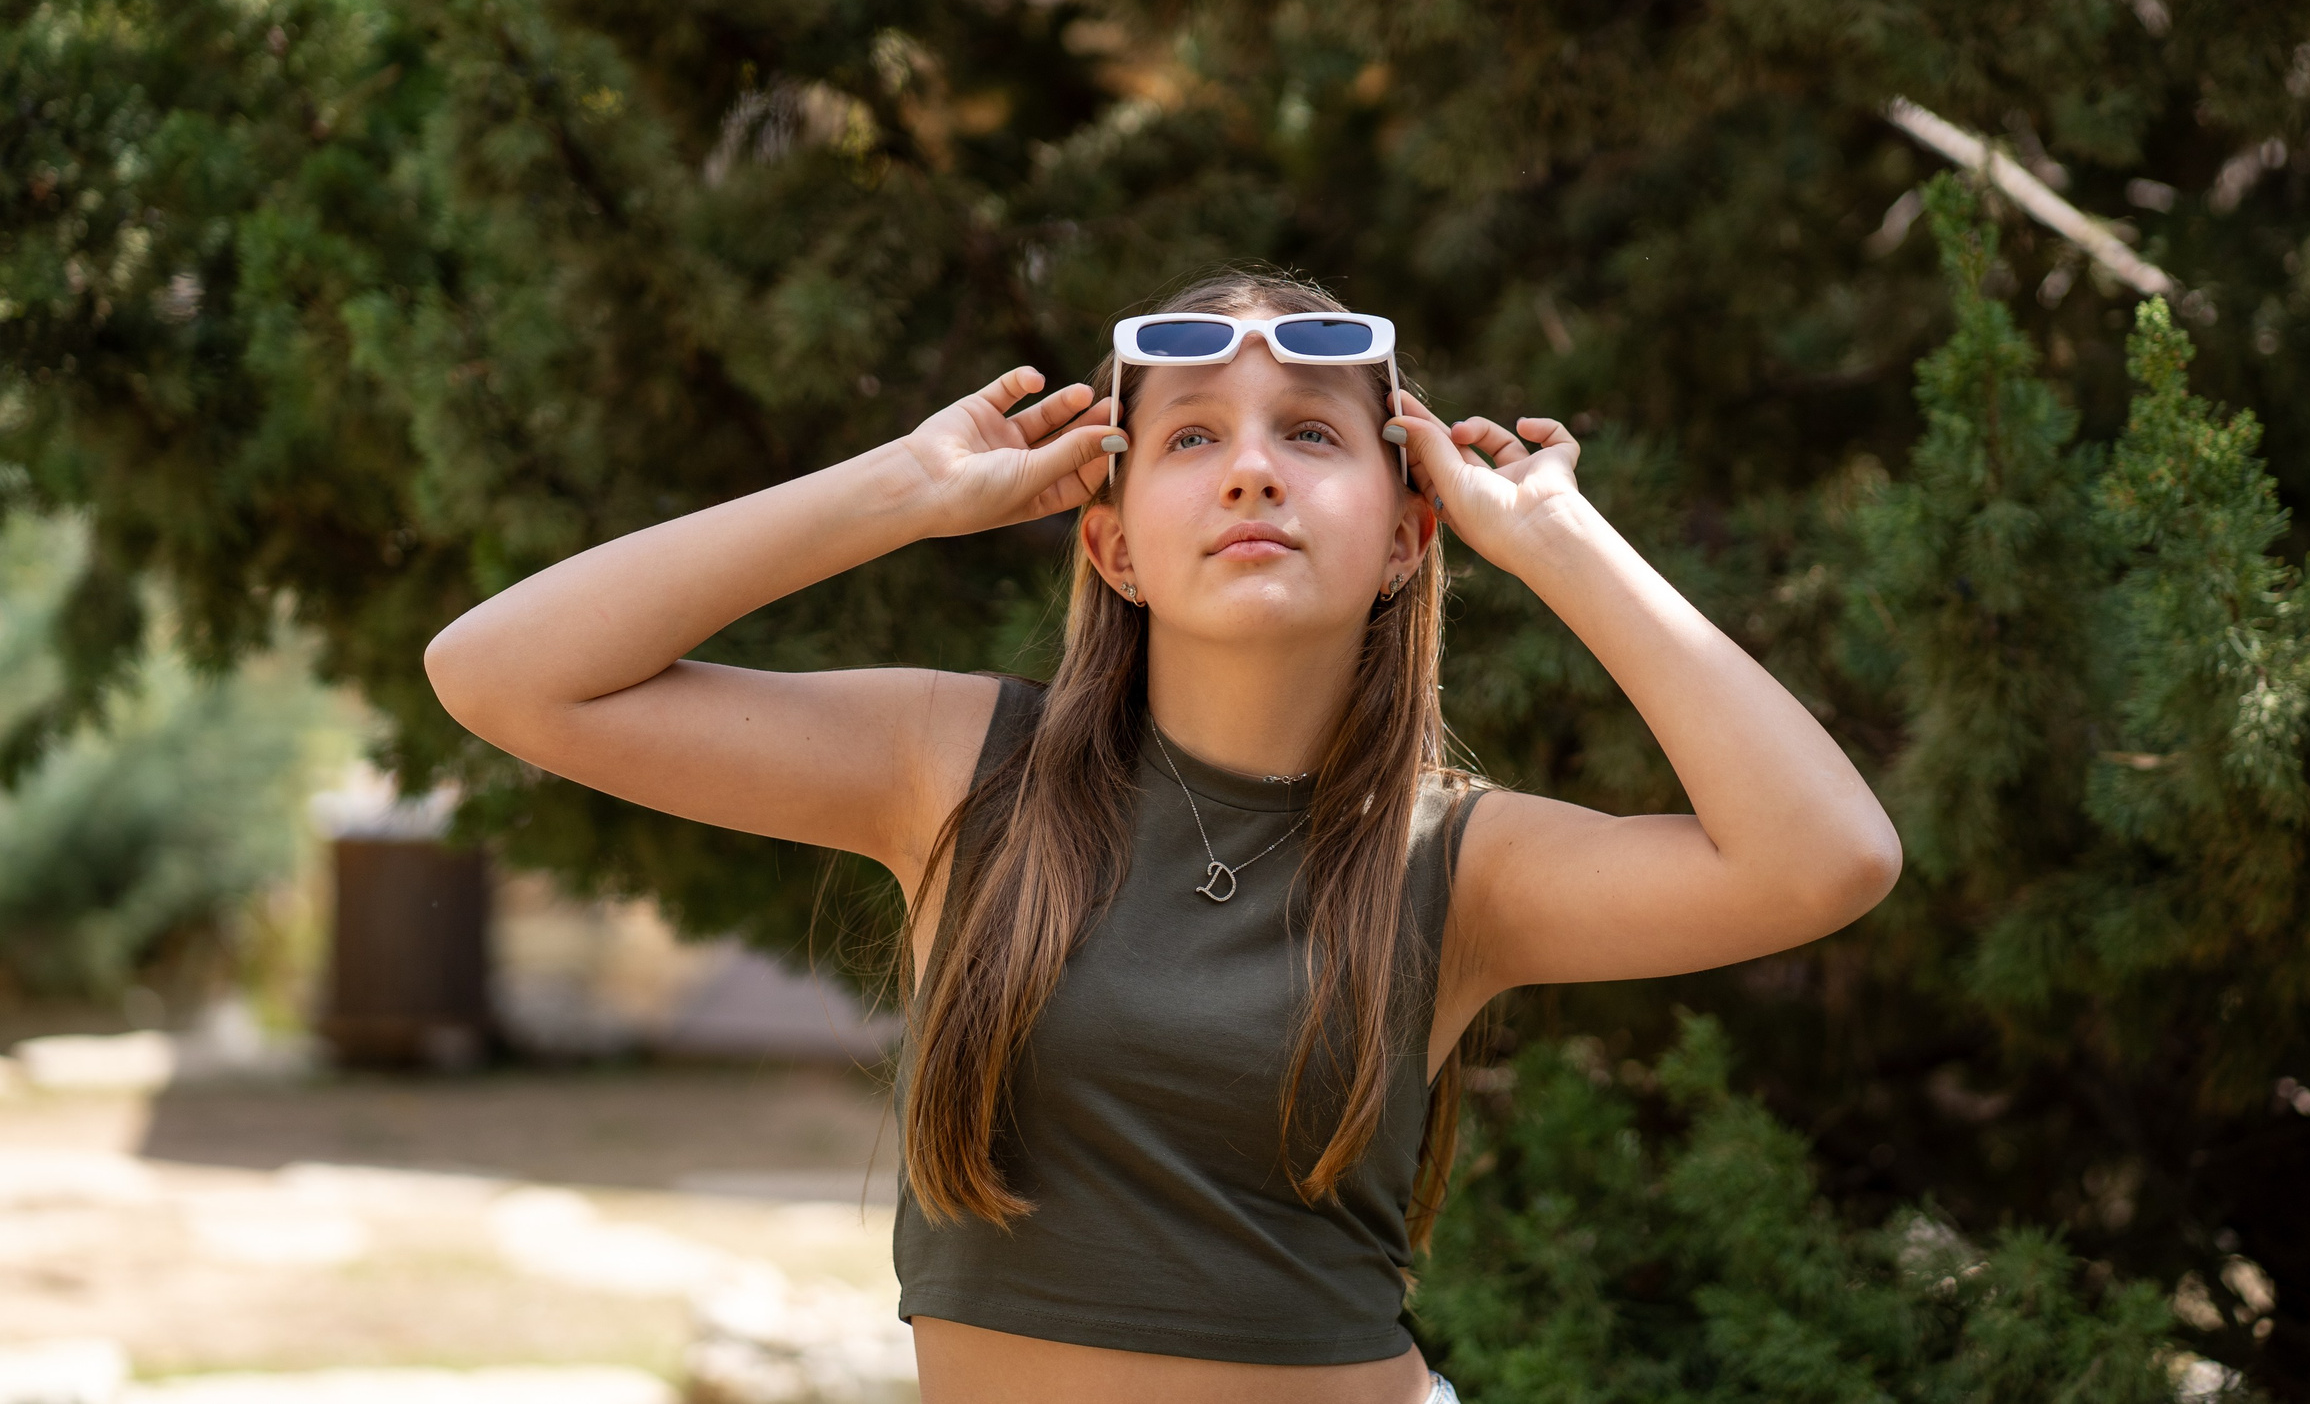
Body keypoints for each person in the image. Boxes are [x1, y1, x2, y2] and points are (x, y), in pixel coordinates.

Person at [424, 268, 1901, 1404]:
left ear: (1407, 531)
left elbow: (1826, 858)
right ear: (1113, 539)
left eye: (1313, 436)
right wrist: (904, 493)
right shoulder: (954, 769)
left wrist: (1559, 540)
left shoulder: (1464, 865)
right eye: (1192, 438)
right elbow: (502, 674)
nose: (1253, 470)